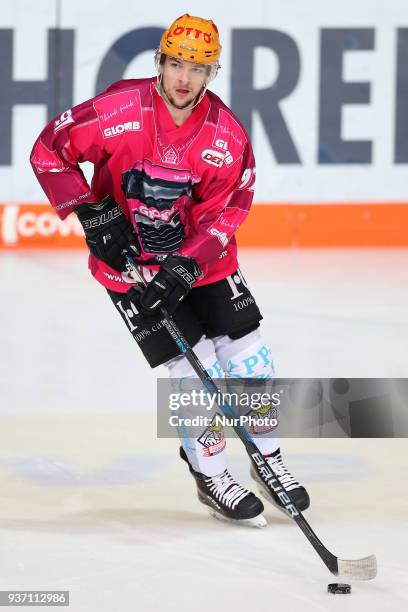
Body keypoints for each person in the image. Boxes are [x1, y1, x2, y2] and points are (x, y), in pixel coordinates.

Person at [30, 13, 310, 527]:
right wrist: (93, 214)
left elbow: (228, 210)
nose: (185, 78)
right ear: (159, 62)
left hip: (204, 262)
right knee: (190, 375)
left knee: (251, 362)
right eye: (176, 63)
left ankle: (269, 460)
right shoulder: (116, 111)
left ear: (212, 73)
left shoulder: (225, 135)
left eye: (198, 68)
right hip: (130, 267)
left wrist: (186, 264)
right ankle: (211, 476)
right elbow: (50, 149)